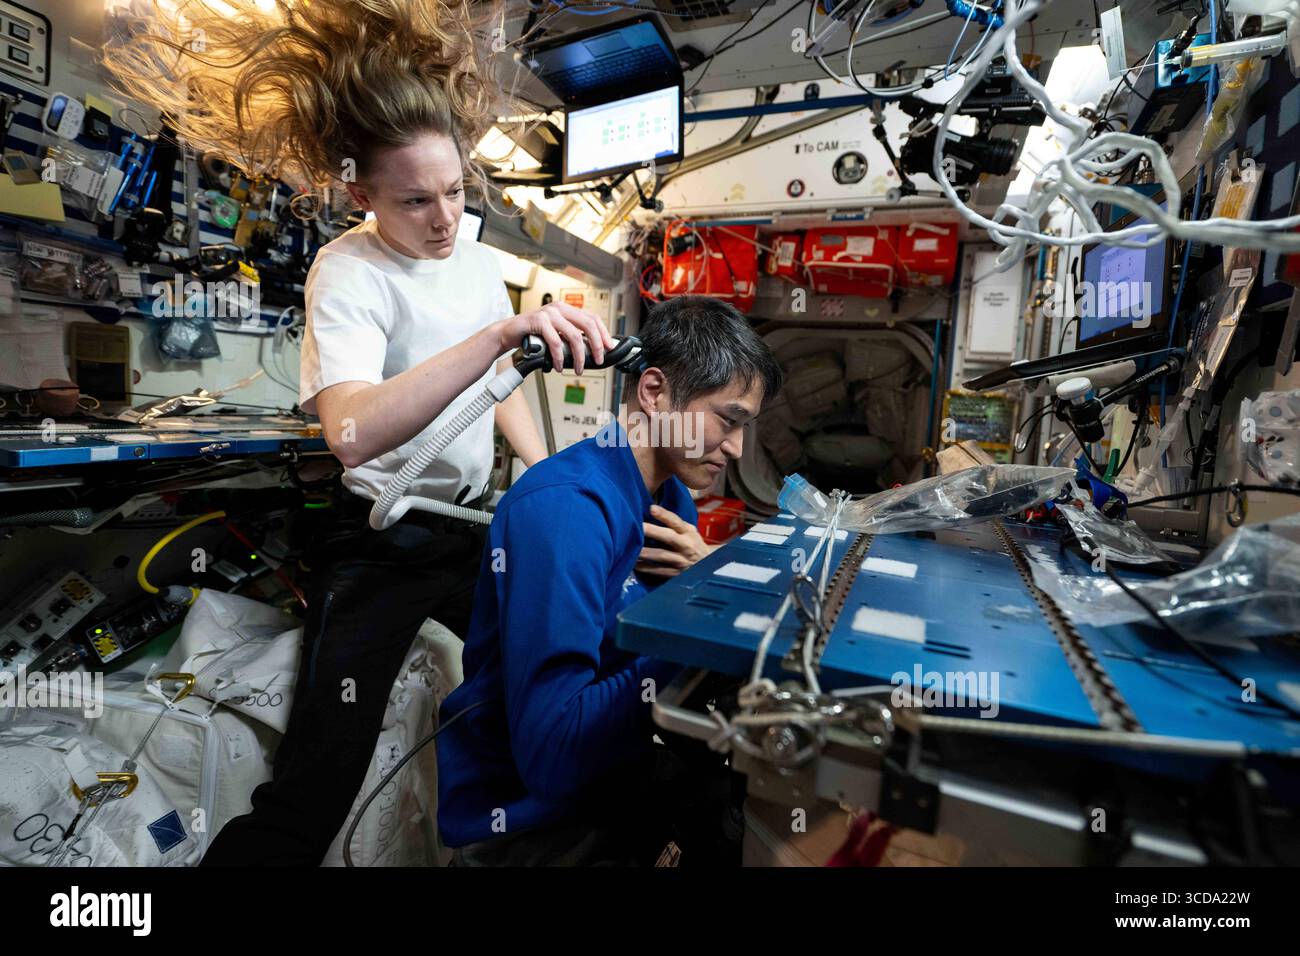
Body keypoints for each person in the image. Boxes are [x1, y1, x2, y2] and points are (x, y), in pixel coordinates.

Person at [104, 0, 619, 866]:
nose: (445, 218)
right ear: (359, 193)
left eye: (455, 191)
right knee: (323, 766)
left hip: (465, 525)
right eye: (415, 200)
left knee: (560, 659)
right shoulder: (347, 269)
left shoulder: (477, 260)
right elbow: (348, 430)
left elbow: (502, 389)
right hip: (380, 537)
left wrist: (542, 472)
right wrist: (496, 335)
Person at [436, 295, 785, 866]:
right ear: (654, 392)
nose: (736, 448)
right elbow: (553, 751)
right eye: (728, 419)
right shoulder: (567, 512)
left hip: (616, 771)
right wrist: (699, 617)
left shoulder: (669, 498)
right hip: (531, 818)